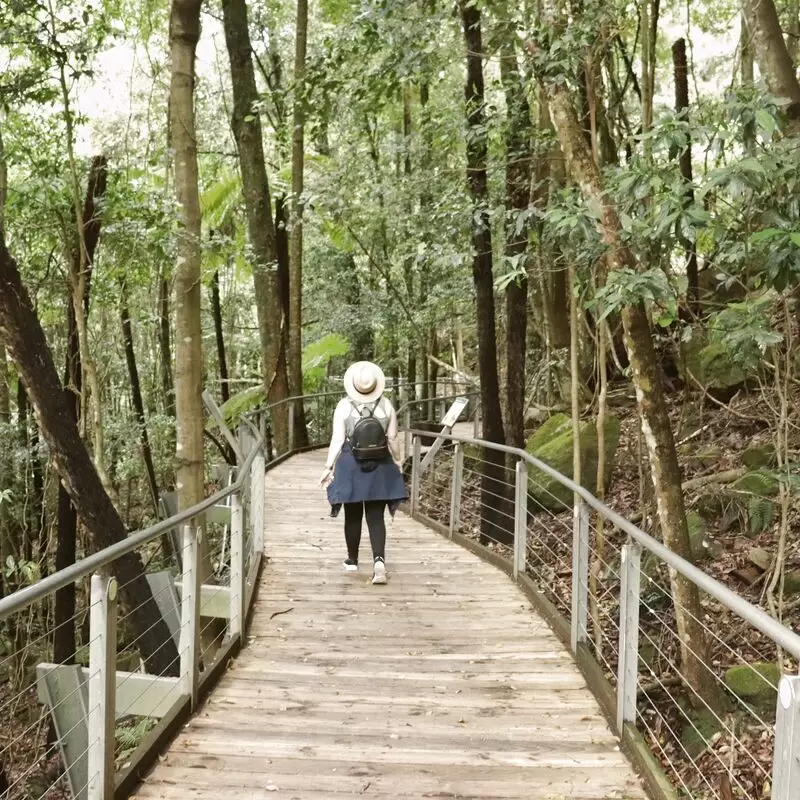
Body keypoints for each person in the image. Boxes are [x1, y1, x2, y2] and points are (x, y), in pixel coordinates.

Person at [319, 361, 407, 585]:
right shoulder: (386, 405)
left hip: (350, 464)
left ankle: (352, 560)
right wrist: (397, 460)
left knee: (353, 513)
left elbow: (338, 439)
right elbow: (393, 438)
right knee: (376, 516)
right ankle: (379, 561)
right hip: (380, 463)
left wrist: (328, 466)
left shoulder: (344, 406)